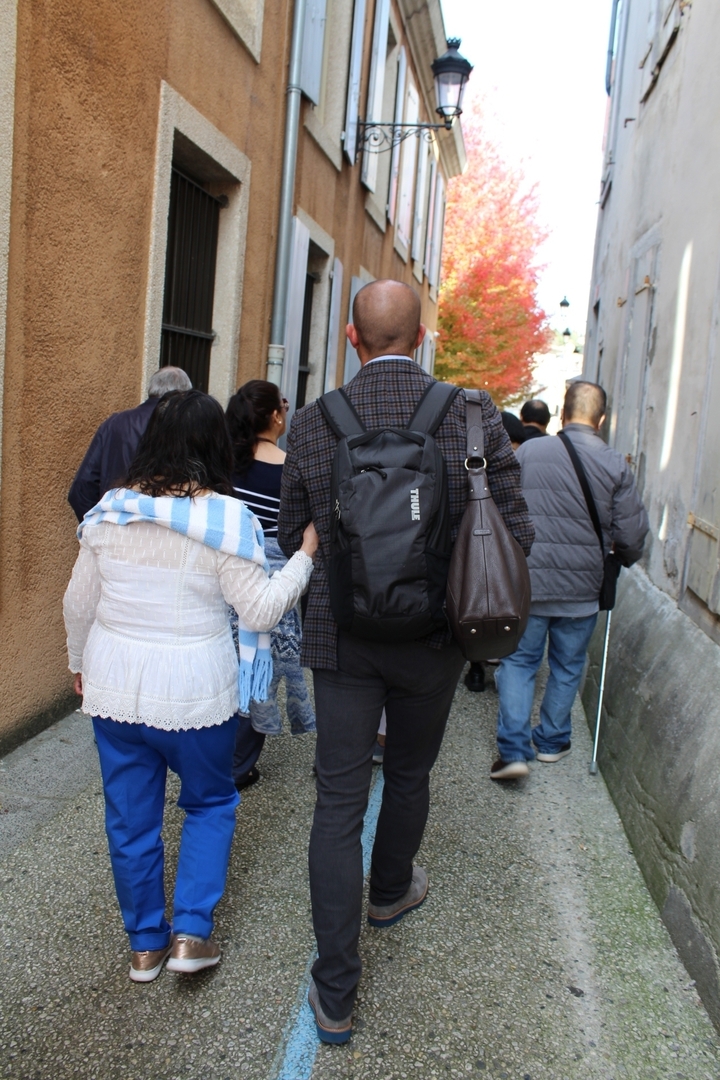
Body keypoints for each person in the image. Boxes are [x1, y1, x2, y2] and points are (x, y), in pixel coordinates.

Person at [277, 279, 533, 1043]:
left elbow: (296, 532)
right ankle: (390, 891)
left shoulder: (316, 422)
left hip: (342, 640)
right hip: (435, 639)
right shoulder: (473, 412)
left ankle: (336, 995)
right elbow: (514, 526)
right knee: (412, 773)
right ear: (421, 337)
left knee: (336, 801)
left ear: (351, 340)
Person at [63, 390, 318, 982]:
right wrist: (303, 558)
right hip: (197, 692)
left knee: (130, 819)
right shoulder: (228, 520)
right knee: (209, 803)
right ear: (212, 447)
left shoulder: (109, 511)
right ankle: (190, 937)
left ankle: (145, 945)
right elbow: (258, 612)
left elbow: (79, 601)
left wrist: (79, 662)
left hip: (115, 686)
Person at [491, 381, 649, 780]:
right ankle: (551, 741)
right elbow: (631, 537)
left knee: (519, 662)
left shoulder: (529, 450)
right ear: (602, 419)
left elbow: (503, 504)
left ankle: (512, 749)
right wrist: (622, 558)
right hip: (582, 588)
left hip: (529, 581)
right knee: (567, 665)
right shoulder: (615, 464)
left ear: (563, 414)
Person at [225, 380, 315, 792]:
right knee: (259, 678)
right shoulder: (291, 467)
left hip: (223, 584)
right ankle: (239, 766)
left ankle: (214, 759)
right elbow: (300, 536)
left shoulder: (222, 465)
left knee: (224, 673)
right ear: (276, 416)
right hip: (272, 588)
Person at [68, 366, 192, 521]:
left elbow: (81, 489)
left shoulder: (113, 424)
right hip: (163, 534)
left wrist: (97, 526)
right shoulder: (187, 428)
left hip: (113, 530)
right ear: (184, 396)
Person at [464, 409, 527, 695]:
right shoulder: (509, 464)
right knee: (493, 601)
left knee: (477, 601)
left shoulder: (475, 462)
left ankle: (476, 668)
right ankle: (482, 662)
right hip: (501, 541)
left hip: (475, 536)